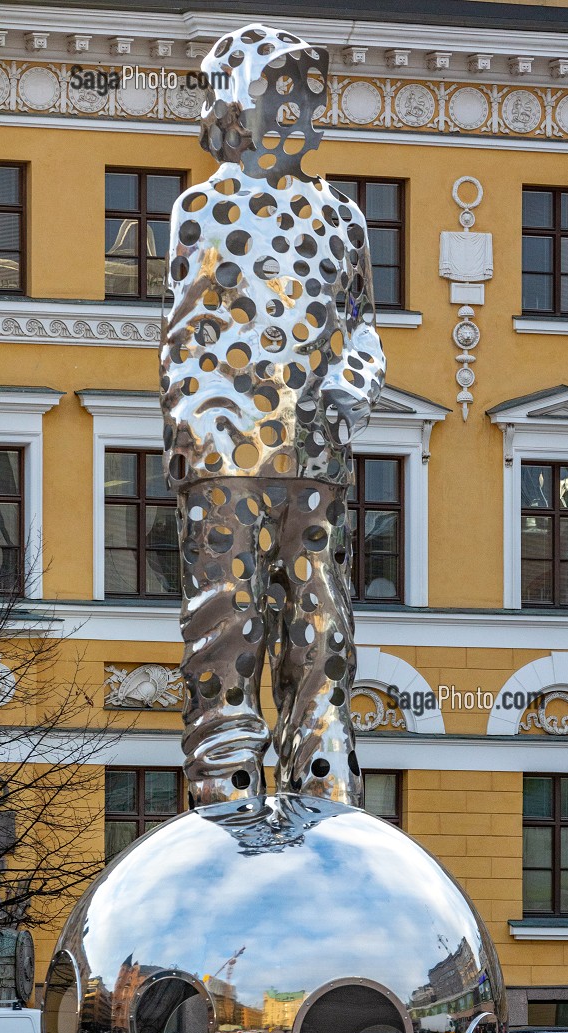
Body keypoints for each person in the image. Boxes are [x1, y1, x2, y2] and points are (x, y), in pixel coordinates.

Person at [160, 24, 386, 808]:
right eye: (277, 92)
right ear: (235, 106)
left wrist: (358, 372)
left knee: (321, 616)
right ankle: (224, 776)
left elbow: (359, 319)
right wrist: (198, 446)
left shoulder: (341, 218)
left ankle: (323, 768)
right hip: (226, 455)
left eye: (305, 91)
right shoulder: (206, 210)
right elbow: (186, 340)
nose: (296, 109)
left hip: (316, 455)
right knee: (229, 617)